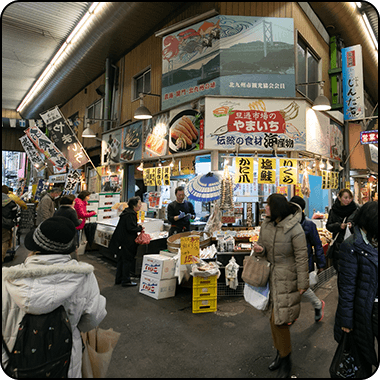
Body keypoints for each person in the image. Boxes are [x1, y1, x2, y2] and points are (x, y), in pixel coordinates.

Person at [2, 216, 107, 378]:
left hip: (16, 364)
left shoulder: (7, 278)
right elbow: (92, 319)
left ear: (34, 246)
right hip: (65, 362)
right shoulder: (85, 277)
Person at [252, 193, 309, 378]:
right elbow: (263, 250)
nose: (265, 208)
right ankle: (280, 353)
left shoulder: (295, 228)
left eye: (268, 205)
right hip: (270, 278)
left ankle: (286, 360)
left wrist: (303, 283)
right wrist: (260, 251)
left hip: (287, 279)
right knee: (273, 320)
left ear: (276, 208)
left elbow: (302, 257)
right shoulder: (266, 225)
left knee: (280, 321)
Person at [334, 201, 378, 377]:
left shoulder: (374, 239)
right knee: (362, 356)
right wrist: (346, 321)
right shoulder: (351, 246)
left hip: (373, 307)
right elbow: (346, 287)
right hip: (364, 310)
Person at [290, 196, 326, 322]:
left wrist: (321, 264)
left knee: (302, 289)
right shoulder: (287, 223)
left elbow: (317, 244)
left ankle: (317, 304)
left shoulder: (309, 225)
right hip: (290, 262)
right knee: (292, 288)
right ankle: (291, 314)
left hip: (305, 262)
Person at [109, 196, 143, 287]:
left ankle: (119, 279)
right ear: (134, 205)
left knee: (121, 260)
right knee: (127, 261)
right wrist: (139, 228)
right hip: (127, 241)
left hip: (121, 241)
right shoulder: (130, 214)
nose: (140, 205)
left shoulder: (126, 212)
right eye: (139, 204)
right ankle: (126, 280)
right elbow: (131, 228)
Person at [326, 189, 359, 271]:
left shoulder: (356, 210)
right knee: (340, 271)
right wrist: (339, 226)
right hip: (338, 245)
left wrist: (352, 225)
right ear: (339, 198)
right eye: (345, 197)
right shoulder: (333, 210)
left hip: (352, 244)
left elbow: (361, 226)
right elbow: (328, 226)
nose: (348, 200)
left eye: (350, 198)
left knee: (351, 271)